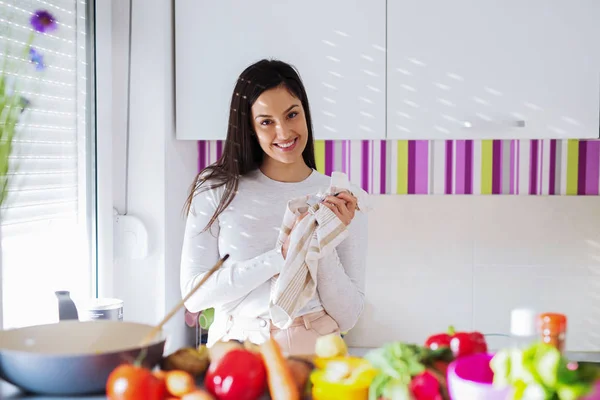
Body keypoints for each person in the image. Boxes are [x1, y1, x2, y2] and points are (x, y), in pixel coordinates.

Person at [180, 59, 367, 356]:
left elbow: (348, 315)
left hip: (315, 350)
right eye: (267, 121)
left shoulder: (340, 198)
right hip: (235, 350)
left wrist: (321, 244)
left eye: (292, 114)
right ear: (250, 127)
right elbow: (193, 296)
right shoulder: (216, 189)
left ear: (305, 113)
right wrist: (281, 256)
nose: (284, 132)